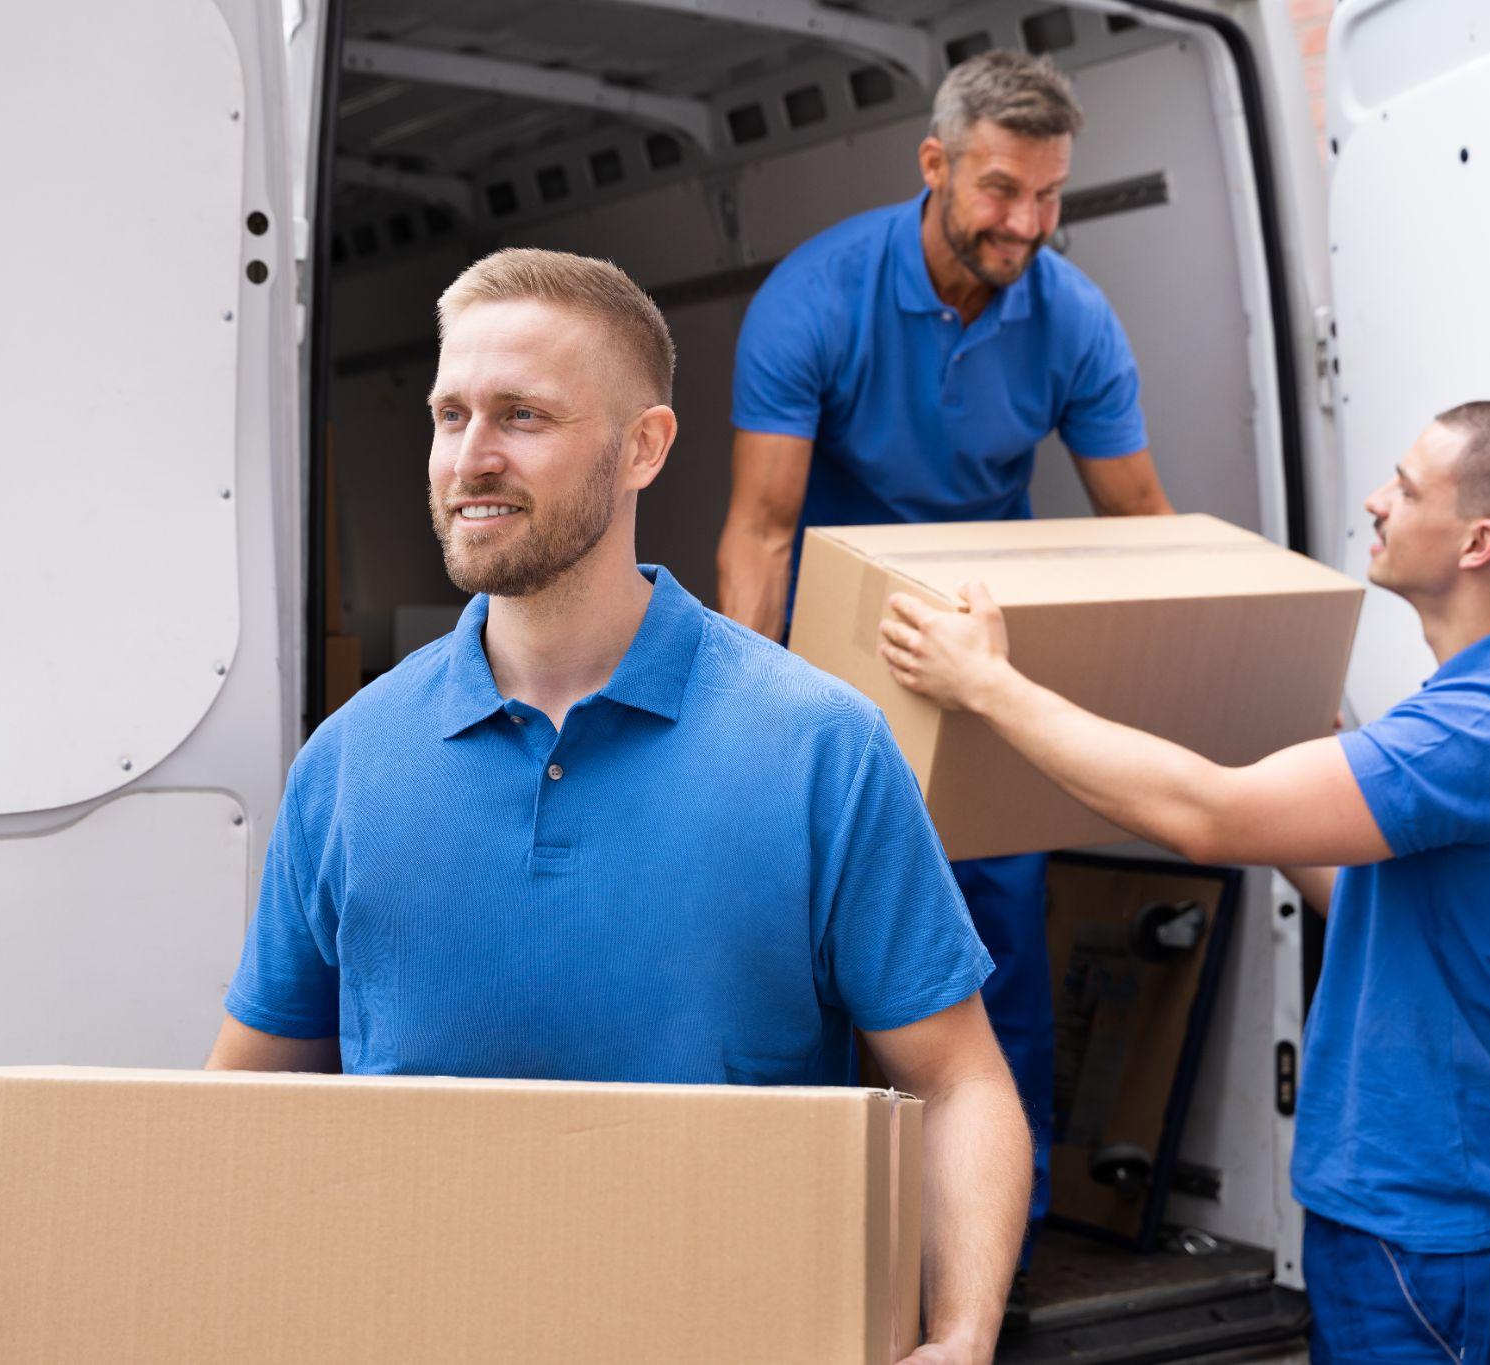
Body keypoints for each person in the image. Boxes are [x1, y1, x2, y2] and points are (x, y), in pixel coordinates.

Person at [207, 247, 1033, 1361]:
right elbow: (242, 1111)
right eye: (450, 415)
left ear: (642, 447)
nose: (470, 458)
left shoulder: (817, 746)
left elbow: (957, 1082)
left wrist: (963, 1333)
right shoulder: (347, 763)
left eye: (522, 415)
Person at [878, 402, 1490, 1363]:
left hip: (1442, 1245)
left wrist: (989, 685)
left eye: (1406, 485)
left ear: (1479, 540)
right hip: (1400, 1228)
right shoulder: (1488, 709)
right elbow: (1368, 904)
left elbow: (1209, 818)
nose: (1375, 500)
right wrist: (1236, 713)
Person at [715, 47, 1174, 1252]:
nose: (1024, 223)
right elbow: (760, 535)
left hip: (974, 654)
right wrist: (726, 730)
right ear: (934, 165)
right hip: (836, 653)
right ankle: (809, 1238)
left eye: (1047, 195)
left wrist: (1224, 699)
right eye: (997, 191)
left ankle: (993, 1245)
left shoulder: (1068, 317)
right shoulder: (815, 300)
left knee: (989, 954)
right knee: (807, 949)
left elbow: (1137, 519)